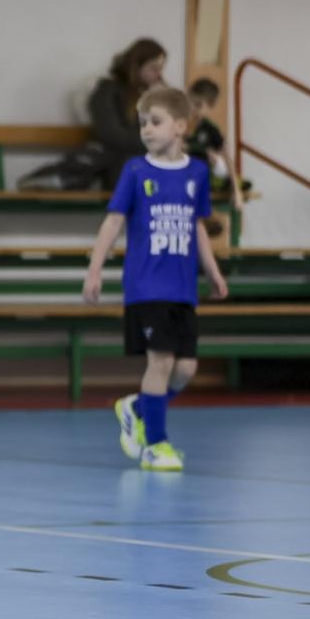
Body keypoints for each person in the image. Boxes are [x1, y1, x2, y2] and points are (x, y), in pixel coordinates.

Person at [84, 85, 228, 471]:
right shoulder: (136, 171)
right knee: (161, 363)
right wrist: (95, 268)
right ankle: (156, 445)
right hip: (147, 287)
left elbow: (197, 226)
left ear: (181, 126)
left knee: (185, 370)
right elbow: (113, 221)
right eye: (143, 123)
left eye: (156, 122)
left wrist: (212, 271)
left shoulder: (196, 172)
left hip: (183, 288)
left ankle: (137, 407)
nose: (147, 129)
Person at [87, 38, 168, 190]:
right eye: (153, 68)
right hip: (118, 163)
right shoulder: (107, 91)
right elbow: (112, 135)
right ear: (136, 66)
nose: (159, 75)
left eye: (161, 69)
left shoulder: (149, 92)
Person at [186, 78, 248, 212]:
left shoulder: (211, 130)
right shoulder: (178, 125)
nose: (192, 108)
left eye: (198, 105)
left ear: (210, 106)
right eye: (189, 102)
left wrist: (236, 191)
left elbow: (227, 159)